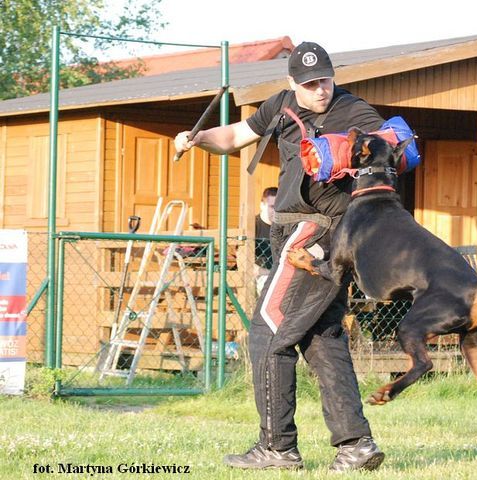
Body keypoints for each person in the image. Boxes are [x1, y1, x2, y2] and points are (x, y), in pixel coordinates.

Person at [174, 42, 386, 471]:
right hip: (291, 229)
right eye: (310, 83)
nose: (320, 89)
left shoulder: (354, 111)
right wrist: (198, 138)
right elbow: (235, 136)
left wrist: (353, 150)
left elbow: (391, 145)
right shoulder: (280, 104)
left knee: (267, 332)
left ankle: (277, 447)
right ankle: (356, 445)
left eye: (325, 80)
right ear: (293, 82)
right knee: (322, 338)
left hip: (318, 231)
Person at [254, 187, 277, 295]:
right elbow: (245, 263)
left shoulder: (283, 227)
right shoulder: (252, 226)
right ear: (262, 205)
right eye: (272, 206)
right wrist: (270, 273)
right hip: (260, 276)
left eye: (278, 207)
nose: (275, 211)